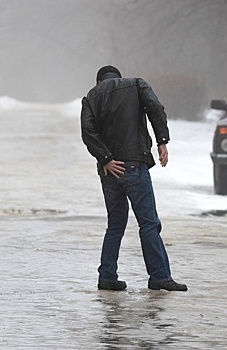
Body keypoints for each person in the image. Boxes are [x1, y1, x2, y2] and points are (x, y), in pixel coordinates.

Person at [80, 65, 187, 292]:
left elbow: (88, 132)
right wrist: (162, 140)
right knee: (148, 223)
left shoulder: (91, 97)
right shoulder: (136, 84)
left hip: (109, 170)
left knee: (115, 224)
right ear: (118, 77)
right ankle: (159, 276)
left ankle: (107, 277)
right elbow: (155, 108)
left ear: (99, 81)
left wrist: (106, 159)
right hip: (133, 164)